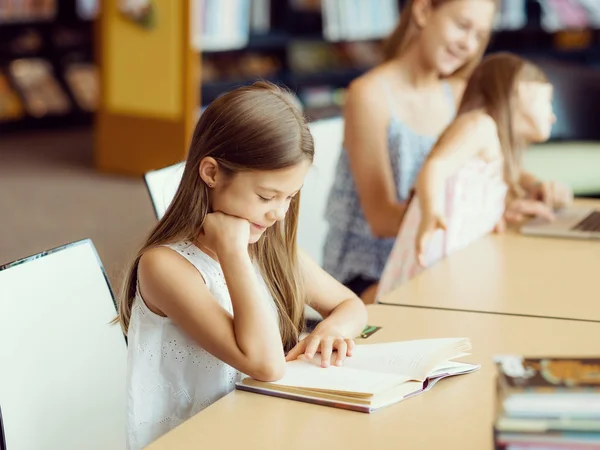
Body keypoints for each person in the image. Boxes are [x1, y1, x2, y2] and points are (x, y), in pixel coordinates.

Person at [115, 82, 368, 450]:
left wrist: (329, 331)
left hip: (258, 428)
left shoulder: (270, 247)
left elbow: (351, 305)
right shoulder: (164, 267)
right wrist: (233, 253)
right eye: (267, 196)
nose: (279, 213)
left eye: (290, 197)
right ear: (212, 173)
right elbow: (265, 365)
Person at [322, 0, 499, 303]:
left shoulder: (457, 94)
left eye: (479, 35)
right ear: (423, 11)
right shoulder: (369, 95)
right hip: (365, 274)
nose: (468, 44)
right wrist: (470, 214)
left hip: (431, 261)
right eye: (462, 25)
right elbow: (380, 219)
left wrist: (533, 189)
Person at [376, 52, 573, 299]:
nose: (552, 114)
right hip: (436, 265)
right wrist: (431, 211)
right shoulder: (480, 126)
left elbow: (471, 195)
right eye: (548, 101)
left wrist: (502, 209)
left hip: (456, 266)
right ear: (520, 92)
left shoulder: (495, 143)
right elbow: (435, 167)